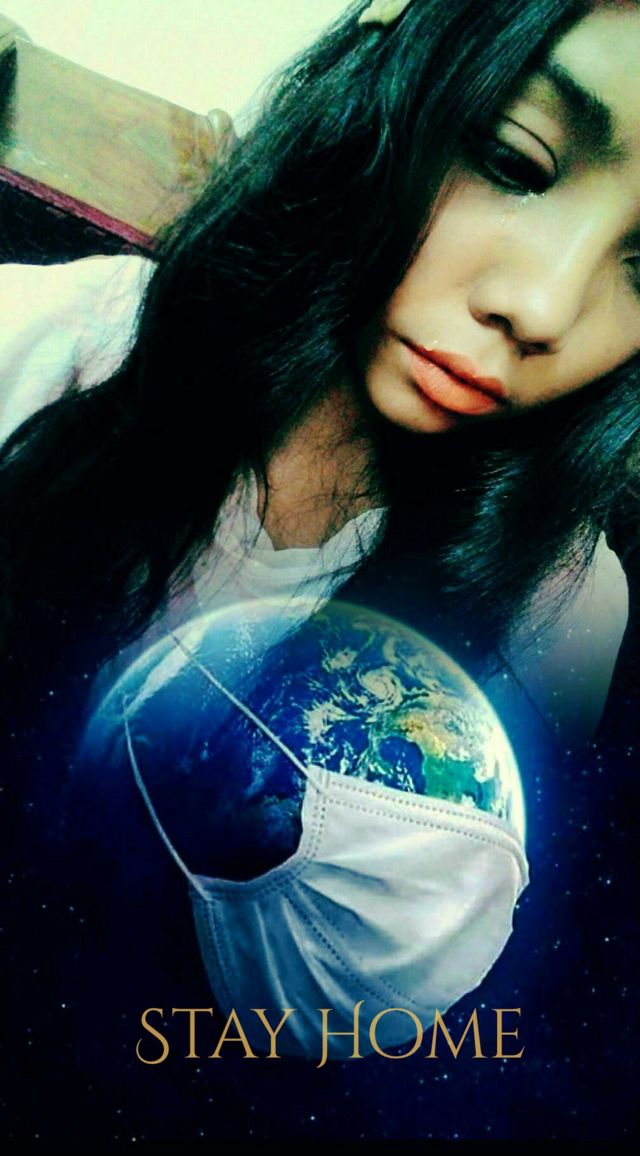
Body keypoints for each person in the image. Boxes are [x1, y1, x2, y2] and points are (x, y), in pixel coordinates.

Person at [1, 0, 639, 1133]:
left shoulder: (570, 613)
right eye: (514, 160)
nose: (540, 307)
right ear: (402, 69)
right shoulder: (44, 347)